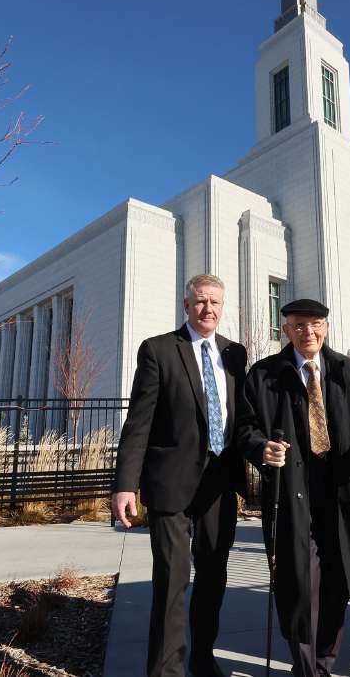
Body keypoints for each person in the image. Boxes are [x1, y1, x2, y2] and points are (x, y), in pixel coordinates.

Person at [112, 274, 248, 677]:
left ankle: (203, 660)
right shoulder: (158, 350)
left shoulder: (236, 354)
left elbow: (245, 420)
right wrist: (125, 485)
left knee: (213, 580)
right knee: (172, 582)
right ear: (186, 305)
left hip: (220, 487)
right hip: (171, 485)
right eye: (201, 301)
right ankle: (166, 670)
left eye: (216, 303)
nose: (209, 309)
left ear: (223, 308)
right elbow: (139, 423)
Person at [238, 298, 350, 677]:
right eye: (299, 325)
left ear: (326, 328)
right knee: (299, 586)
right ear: (286, 330)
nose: (308, 332)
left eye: (316, 324)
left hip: (341, 494)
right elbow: (245, 428)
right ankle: (306, 670)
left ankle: (323, 663)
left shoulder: (344, 369)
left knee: (338, 583)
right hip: (291, 494)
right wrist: (260, 448)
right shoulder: (265, 373)